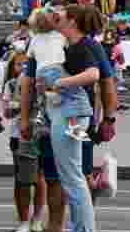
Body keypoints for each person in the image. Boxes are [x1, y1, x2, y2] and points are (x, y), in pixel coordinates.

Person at [20, 4, 100, 232]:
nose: (57, 17)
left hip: (68, 114)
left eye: (61, 16)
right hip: (72, 114)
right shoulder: (69, 45)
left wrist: (60, 83)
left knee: (72, 177)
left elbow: (94, 74)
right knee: (74, 175)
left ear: (72, 21)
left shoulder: (80, 46)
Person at [0, 52, 48, 232]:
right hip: (19, 135)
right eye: (19, 65)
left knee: (40, 178)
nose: (23, 68)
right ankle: (23, 221)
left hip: (41, 133)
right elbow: (7, 113)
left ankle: (37, 219)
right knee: (22, 180)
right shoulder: (11, 84)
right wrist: (19, 106)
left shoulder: (40, 82)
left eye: (26, 64)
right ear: (13, 67)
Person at [29, 8, 90, 142]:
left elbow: (31, 55)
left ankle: (41, 115)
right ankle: (74, 127)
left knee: (47, 95)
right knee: (74, 95)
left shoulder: (34, 39)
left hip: (41, 72)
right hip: (56, 69)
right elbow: (69, 46)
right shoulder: (60, 36)